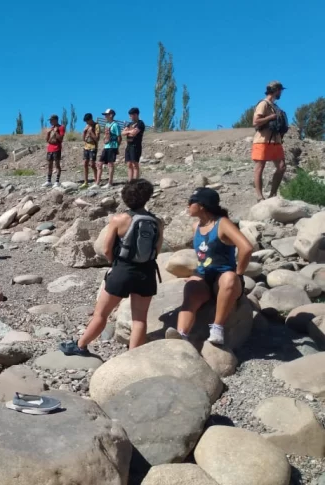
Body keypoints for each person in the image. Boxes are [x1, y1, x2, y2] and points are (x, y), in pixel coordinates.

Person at [59, 179, 163, 356]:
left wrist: (115, 263)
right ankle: (133, 357)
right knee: (139, 319)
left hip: (123, 269)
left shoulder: (119, 219)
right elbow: (157, 250)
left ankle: (81, 345)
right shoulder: (157, 222)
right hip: (146, 272)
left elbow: (106, 249)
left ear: (125, 197)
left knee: (101, 314)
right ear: (147, 198)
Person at [165, 188, 253, 345]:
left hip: (224, 279)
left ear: (202, 206)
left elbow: (246, 248)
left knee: (229, 278)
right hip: (205, 277)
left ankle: (217, 328)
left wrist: (239, 274)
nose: (187, 206)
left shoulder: (223, 223)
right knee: (191, 290)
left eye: (191, 202)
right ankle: (181, 337)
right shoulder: (195, 226)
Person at [252, 81, 287, 202]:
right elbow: (255, 122)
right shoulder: (263, 104)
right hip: (262, 140)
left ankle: (272, 195)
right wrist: (270, 118)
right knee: (259, 167)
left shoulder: (275, 106)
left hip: (275, 141)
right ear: (276, 90)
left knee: (282, 167)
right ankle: (259, 197)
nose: (281, 92)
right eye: (280, 90)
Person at [94, 109, 121, 189]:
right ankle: (97, 182)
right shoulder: (107, 124)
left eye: (106, 114)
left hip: (112, 146)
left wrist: (116, 147)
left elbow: (119, 137)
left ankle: (110, 182)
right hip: (106, 146)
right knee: (99, 164)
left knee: (110, 164)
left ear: (111, 115)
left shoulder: (115, 125)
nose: (105, 116)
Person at [122, 107, 145, 182]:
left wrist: (128, 131)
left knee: (135, 164)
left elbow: (134, 133)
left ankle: (135, 182)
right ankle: (130, 181)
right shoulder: (130, 124)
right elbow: (122, 133)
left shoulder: (140, 123)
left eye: (131, 115)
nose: (130, 117)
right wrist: (129, 131)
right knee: (129, 164)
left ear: (135, 115)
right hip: (128, 146)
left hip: (136, 146)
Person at [43, 114, 65, 188]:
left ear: (55, 120)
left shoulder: (61, 127)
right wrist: (48, 133)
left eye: (52, 120)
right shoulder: (51, 128)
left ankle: (57, 181)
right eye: (50, 121)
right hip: (50, 148)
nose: (50, 122)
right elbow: (47, 140)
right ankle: (49, 181)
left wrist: (56, 132)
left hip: (57, 148)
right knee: (49, 165)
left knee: (57, 165)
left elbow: (61, 139)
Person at [81, 113, 100, 188]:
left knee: (92, 164)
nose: (87, 123)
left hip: (93, 147)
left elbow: (97, 139)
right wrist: (84, 132)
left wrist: (91, 132)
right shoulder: (87, 126)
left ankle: (96, 180)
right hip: (86, 147)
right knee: (85, 163)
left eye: (87, 121)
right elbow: (83, 139)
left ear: (91, 119)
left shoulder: (96, 126)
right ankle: (86, 181)